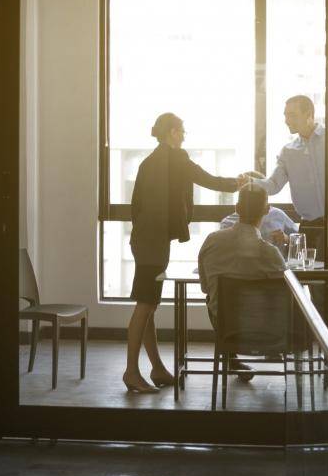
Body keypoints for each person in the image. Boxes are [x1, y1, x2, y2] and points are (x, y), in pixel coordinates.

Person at [123, 112, 245, 394]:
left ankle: (156, 368)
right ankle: (131, 372)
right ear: (173, 132)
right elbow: (207, 179)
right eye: (182, 131)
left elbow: (135, 204)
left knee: (149, 305)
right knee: (144, 306)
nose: (185, 136)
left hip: (144, 238)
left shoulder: (149, 161)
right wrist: (236, 183)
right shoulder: (175, 158)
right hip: (153, 243)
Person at [250, 95, 328, 262]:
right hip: (310, 228)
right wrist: (249, 183)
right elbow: (273, 185)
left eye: (292, 115)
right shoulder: (288, 152)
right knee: (314, 285)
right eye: (285, 115)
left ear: (309, 115)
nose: (286, 120)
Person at [198, 184, 287, 380]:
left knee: (214, 301)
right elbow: (287, 293)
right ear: (266, 210)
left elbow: (206, 288)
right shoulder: (270, 253)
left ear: (237, 208)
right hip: (267, 332)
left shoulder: (212, 241)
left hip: (227, 328)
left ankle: (231, 358)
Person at [220, 171, 298, 251]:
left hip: (276, 262)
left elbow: (300, 239)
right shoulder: (227, 223)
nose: (253, 197)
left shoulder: (278, 215)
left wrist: (287, 239)